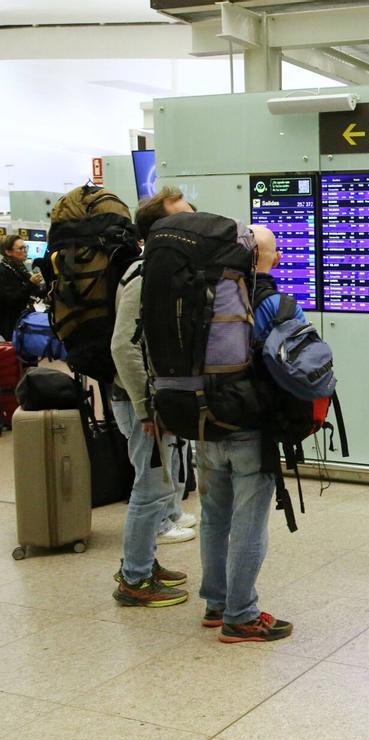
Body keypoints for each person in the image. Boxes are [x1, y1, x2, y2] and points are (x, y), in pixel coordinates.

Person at [189, 222, 293, 642]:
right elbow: (299, 364)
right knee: (249, 519)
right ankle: (241, 615)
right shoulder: (273, 301)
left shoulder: (201, 296)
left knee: (214, 515)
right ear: (268, 259)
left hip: (203, 421)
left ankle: (216, 603)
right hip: (251, 428)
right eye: (275, 252)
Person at [108, 191, 202, 608]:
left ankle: (144, 561)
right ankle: (134, 580)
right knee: (149, 488)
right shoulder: (143, 275)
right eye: (183, 218)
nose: (194, 222)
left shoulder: (164, 270)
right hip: (140, 401)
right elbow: (122, 347)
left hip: (157, 398)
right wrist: (147, 407)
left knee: (164, 487)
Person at [0, 234, 48, 342]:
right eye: (20, 248)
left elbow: (36, 293)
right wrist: (31, 283)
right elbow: (12, 299)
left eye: (25, 247)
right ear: (8, 252)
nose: (25, 251)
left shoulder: (21, 268)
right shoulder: (3, 272)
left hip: (25, 319)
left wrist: (50, 285)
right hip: (11, 324)